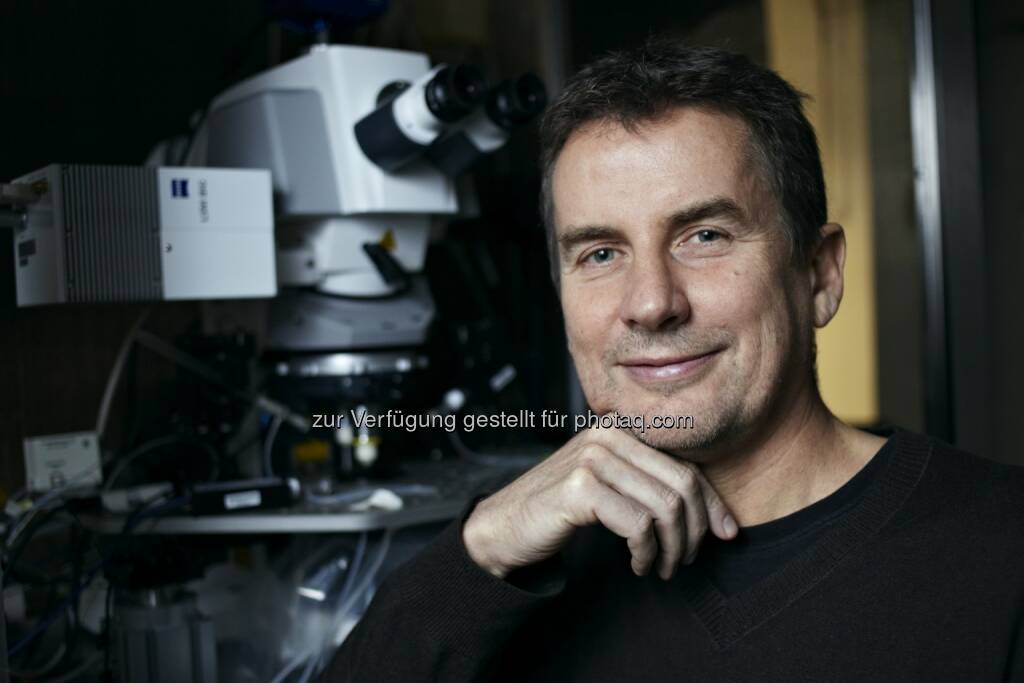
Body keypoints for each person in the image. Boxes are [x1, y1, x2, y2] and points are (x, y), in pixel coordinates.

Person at [322, 39, 1024, 682]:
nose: (652, 303)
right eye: (601, 253)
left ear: (819, 274)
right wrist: (477, 552)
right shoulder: (512, 568)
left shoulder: (1000, 551)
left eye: (704, 235)